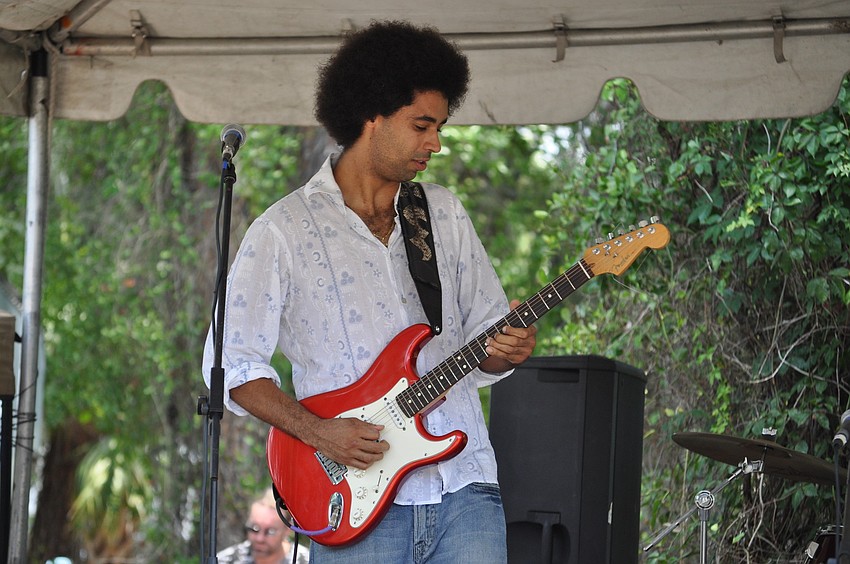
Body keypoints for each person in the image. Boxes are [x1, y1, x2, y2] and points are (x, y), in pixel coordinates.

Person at [202, 20, 537, 563]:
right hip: (353, 503)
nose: (436, 142)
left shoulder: (443, 213)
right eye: (421, 125)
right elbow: (231, 366)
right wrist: (318, 433)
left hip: (465, 485)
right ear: (371, 116)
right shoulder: (283, 230)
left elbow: (483, 346)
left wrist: (506, 352)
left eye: (441, 126)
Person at [216, 489, 308, 564]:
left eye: (270, 531)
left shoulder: (307, 560)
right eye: (254, 528)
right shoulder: (225, 560)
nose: (260, 539)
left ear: (288, 529)